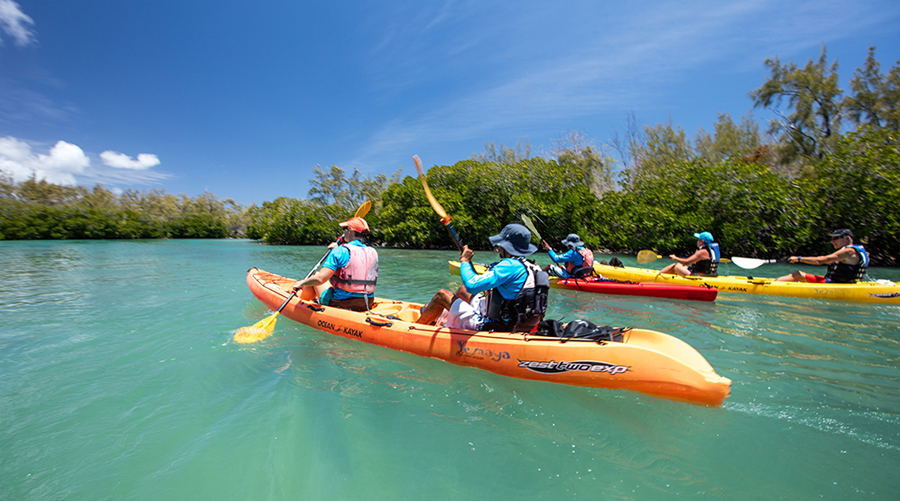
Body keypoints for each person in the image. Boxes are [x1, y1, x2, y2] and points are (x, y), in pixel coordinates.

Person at [417, 223, 549, 332]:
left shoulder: (509, 265)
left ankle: (416, 328)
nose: (498, 247)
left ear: (507, 246)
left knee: (442, 295)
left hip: (496, 326)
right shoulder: (532, 266)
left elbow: (472, 285)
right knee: (463, 290)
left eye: (500, 245)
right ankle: (443, 321)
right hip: (520, 323)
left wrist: (465, 262)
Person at [292, 216, 378, 311]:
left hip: (341, 303)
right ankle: (310, 301)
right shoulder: (372, 252)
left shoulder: (340, 251)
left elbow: (320, 279)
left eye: (344, 229)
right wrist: (337, 249)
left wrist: (301, 283)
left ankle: (301, 305)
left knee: (314, 276)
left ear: (350, 231)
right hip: (367, 302)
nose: (343, 232)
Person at [776, 229, 869, 283]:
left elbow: (820, 260)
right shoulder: (859, 250)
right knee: (800, 277)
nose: (832, 241)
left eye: (836, 238)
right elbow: (828, 261)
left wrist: (798, 258)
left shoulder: (848, 251)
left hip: (833, 284)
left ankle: (772, 284)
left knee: (797, 274)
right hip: (847, 283)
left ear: (847, 238)